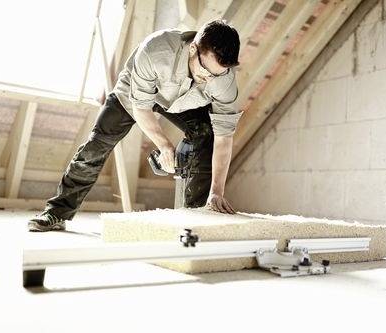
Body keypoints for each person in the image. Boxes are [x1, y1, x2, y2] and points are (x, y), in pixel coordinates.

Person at [28, 19, 242, 232]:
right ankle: (57, 212)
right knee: (96, 146)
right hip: (133, 96)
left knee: (207, 135)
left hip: (184, 103)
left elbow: (224, 138)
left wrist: (217, 190)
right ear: (193, 49)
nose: (208, 78)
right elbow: (141, 108)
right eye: (205, 70)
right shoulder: (156, 50)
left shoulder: (224, 81)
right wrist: (164, 145)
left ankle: (193, 221)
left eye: (217, 74)